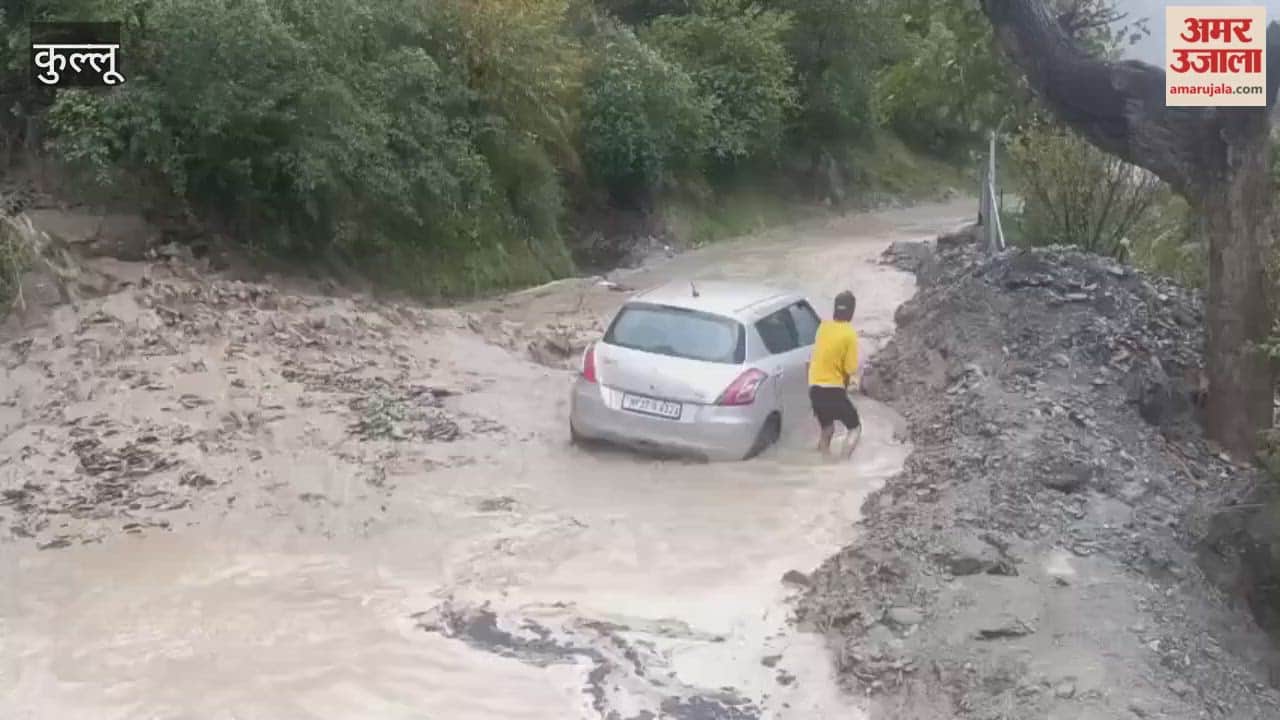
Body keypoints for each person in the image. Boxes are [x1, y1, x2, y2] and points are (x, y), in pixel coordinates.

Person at [808, 290, 861, 460]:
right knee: (854, 428)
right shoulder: (849, 333)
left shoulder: (822, 327)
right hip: (833, 390)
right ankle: (844, 464)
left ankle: (823, 463)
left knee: (827, 429)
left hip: (814, 388)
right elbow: (850, 368)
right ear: (852, 312)